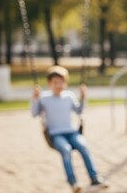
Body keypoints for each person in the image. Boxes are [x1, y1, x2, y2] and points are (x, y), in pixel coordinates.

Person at [31, 65, 108, 193]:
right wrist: (34, 98)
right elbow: (34, 114)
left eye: (61, 82)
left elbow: (79, 111)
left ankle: (95, 177)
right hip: (55, 135)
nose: (59, 85)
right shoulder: (44, 98)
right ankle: (73, 183)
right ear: (49, 83)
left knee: (84, 147)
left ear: (65, 83)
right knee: (66, 150)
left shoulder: (69, 96)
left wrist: (83, 97)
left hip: (72, 132)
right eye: (55, 82)